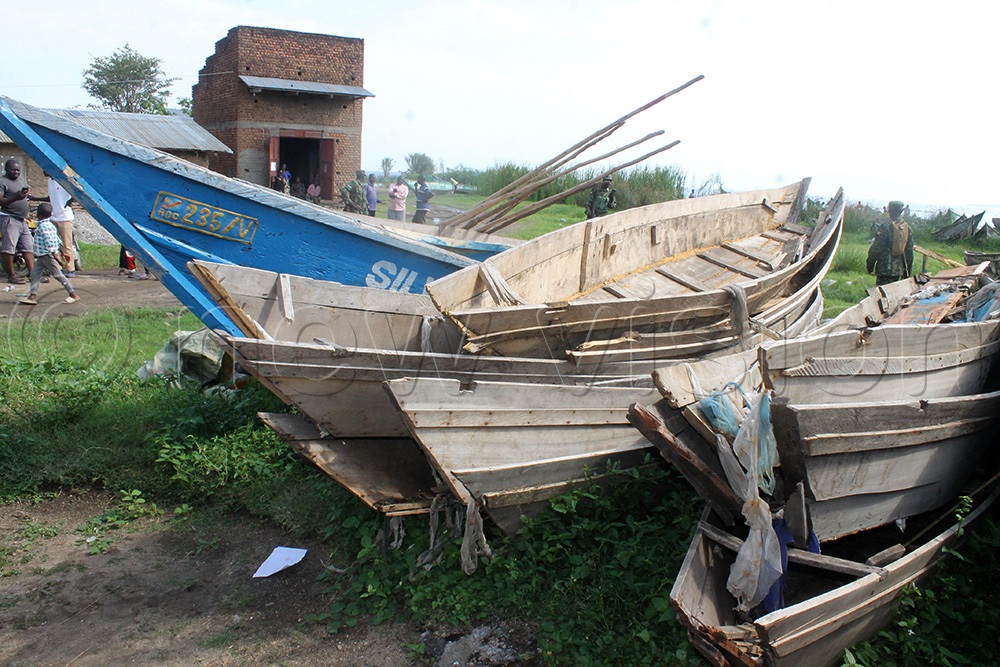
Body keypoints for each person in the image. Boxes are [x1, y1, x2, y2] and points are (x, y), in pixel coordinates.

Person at [18, 203, 79, 305]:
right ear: (51, 215)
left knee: (59, 275)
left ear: (38, 215)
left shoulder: (44, 227)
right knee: (35, 274)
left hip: (48, 256)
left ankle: (73, 294)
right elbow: (57, 239)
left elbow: (50, 243)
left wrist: (58, 259)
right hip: (42, 257)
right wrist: (62, 252)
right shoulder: (49, 225)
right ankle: (32, 296)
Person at [0, 159, 35, 284]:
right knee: (8, 249)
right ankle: (11, 276)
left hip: (22, 220)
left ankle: (33, 274)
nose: (16, 172)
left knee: (28, 247)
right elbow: (1, 201)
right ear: (6, 169)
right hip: (9, 218)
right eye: (13, 170)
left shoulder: (20, 181)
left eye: (18, 170)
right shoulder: (2, 182)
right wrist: (16, 197)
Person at [866, 200, 914, 286]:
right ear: (901, 211)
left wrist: (870, 265)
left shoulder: (885, 227)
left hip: (885, 268)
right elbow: (909, 252)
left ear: (889, 211)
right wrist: (907, 271)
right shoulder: (906, 228)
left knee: (881, 295)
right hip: (899, 269)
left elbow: (876, 248)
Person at [41, 174, 79, 275]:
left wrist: (70, 201)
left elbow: (78, 192)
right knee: (54, 244)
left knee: (67, 244)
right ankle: (58, 267)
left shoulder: (64, 181)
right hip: (53, 217)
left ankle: (70, 269)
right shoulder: (50, 181)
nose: (44, 172)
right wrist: (35, 198)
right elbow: (50, 198)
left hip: (65, 217)